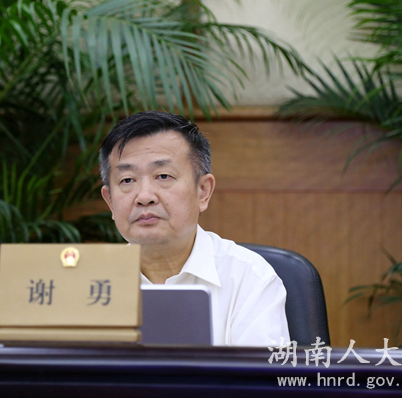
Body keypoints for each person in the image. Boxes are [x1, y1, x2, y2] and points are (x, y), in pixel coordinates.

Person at [99, 110, 289, 346]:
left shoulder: (248, 278)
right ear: (110, 201)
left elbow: (260, 371)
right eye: (127, 180)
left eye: (163, 176)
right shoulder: (91, 282)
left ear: (203, 191)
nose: (145, 196)